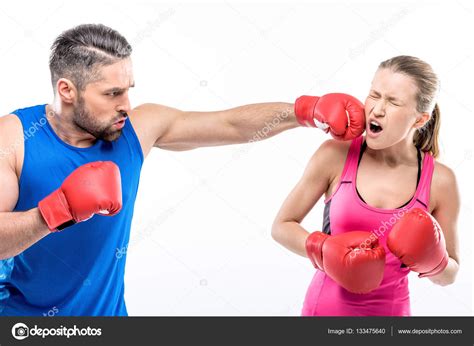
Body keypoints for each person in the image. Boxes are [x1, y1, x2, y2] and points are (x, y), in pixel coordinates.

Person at [0, 24, 365, 316]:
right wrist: (55, 211)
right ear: (67, 90)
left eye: (128, 90)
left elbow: (229, 125)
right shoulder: (15, 138)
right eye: (112, 94)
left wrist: (305, 111)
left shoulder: (137, 130)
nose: (127, 105)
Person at [272, 55, 460, 316]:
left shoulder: (440, 180)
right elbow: (281, 226)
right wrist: (324, 249)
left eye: (393, 102)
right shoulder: (335, 155)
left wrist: (435, 262)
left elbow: (449, 275)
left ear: (419, 119)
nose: (377, 109)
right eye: (374, 94)